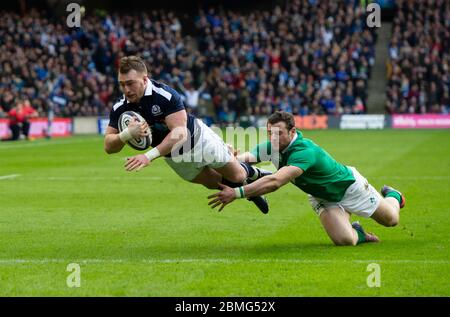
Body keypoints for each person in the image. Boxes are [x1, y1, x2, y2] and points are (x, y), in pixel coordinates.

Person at [208, 111, 406, 246]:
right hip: (322, 196)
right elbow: (243, 161)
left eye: (278, 134)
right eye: (269, 133)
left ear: (292, 132)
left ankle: (394, 195)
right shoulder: (271, 146)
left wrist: (237, 193)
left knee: (391, 220)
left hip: (349, 188)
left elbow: (275, 182)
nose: (272, 138)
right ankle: (358, 231)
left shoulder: (304, 151)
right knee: (346, 241)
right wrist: (228, 156)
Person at [104, 56, 270, 213]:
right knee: (214, 183)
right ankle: (248, 184)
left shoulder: (164, 96)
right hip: (174, 156)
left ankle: (256, 179)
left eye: (131, 83)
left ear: (145, 79)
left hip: (199, 140)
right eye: (122, 84)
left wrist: (148, 156)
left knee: (238, 175)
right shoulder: (120, 108)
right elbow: (109, 146)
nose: (126, 89)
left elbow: (180, 133)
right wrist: (126, 134)